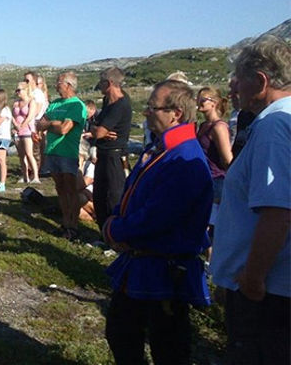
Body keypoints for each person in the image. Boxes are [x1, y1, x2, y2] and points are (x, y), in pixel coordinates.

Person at [102, 79, 213, 365]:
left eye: (152, 107)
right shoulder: (162, 148)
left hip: (164, 268)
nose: (147, 113)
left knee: (168, 349)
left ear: (175, 113)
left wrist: (115, 228)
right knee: (121, 334)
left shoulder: (185, 156)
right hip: (142, 262)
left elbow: (160, 215)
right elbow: (133, 189)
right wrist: (116, 216)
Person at [210, 35, 290, 365]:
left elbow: (278, 210)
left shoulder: (274, 126)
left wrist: (254, 277)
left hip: (268, 288)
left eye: (239, 78)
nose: (233, 87)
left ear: (260, 81)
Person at [36, 71, 87, 240]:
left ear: (68, 85)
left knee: (71, 190)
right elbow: (39, 123)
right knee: (60, 188)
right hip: (52, 151)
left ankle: (73, 226)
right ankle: (65, 222)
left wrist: (50, 124)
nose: (56, 86)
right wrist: (52, 124)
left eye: (59, 83)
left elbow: (65, 128)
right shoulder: (55, 103)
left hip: (67, 153)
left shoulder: (77, 105)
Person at [88, 67, 133, 237]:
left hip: (115, 155)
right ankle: (104, 234)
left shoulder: (121, 104)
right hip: (103, 153)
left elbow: (99, 131)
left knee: (114, 196)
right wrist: (98, 130)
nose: (99, 86)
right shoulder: (108, 102)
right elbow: (97, 128)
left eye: (101, 83)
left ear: (109, 83)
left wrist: (99, 131)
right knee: (99, 195)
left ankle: (118, 238)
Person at [196, 86, 233, 237]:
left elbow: (226, 158)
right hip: (205, 177)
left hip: (217, 179)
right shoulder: (203, 126)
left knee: (212, 224)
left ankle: (212, 258)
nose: (199, 102)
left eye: (203, 99)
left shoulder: (219, 127)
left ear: (214, 103)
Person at [12, 82, 40, 184]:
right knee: (21, 155)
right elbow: (13, 116)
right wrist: (15, 125)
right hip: (17, 130)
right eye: (17, 90)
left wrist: (22, 125)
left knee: (29, 154)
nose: (17, 92)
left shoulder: (31, 102)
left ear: (26, 90)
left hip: (27, 129)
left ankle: (36, 176)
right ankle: (25, 176)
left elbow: (30, 116)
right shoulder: (15, 103)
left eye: (19, 90)